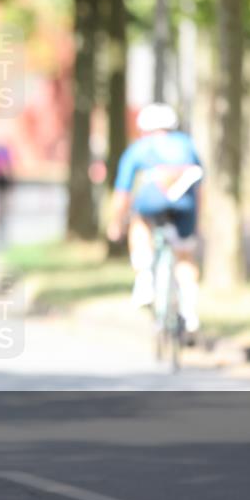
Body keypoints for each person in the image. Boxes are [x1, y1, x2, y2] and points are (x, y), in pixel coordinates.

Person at [106, 103, 203, 333]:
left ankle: (145, 278)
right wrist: (199, 218)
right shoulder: (187, 145)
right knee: (185, 256)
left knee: (139, 222)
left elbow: (123, 193)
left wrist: (116, 222)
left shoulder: (139, 148)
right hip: (186, 205)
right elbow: (201, 186)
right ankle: (189, 312)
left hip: (152, 201)